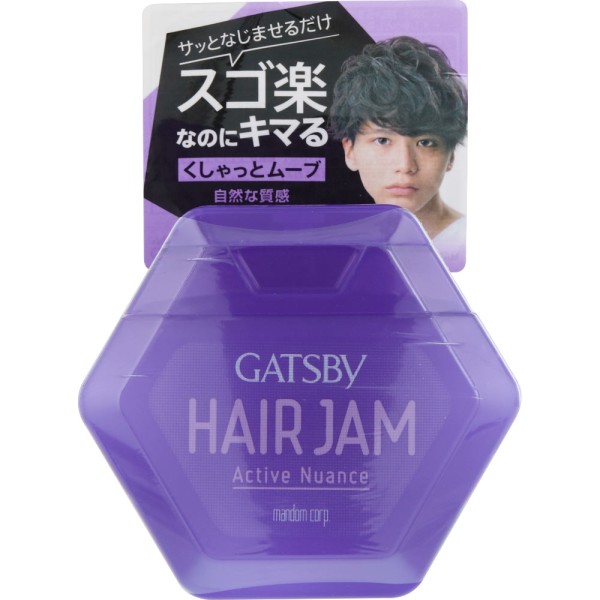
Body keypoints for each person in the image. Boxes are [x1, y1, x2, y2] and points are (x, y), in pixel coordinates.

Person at [330, 36, 468, 269]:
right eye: (383, 140)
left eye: (425, 142)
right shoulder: (348, 245)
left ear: (451, 155)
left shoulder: (466, 242)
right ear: (350, 151)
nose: (405, 165)